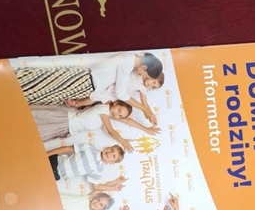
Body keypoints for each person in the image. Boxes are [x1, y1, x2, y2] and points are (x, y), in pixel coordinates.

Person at [12, 52, 164, 118]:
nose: (142, 76)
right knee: (41, 87)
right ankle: (11, 90)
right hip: (83, 81)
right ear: (145, 67)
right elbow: (121, 93)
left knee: (45, 93)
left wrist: (146, 109)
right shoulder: (128, 62)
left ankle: (13, 94)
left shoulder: (130, 62)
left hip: (86, 84)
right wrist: (144, 109)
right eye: (145, 75)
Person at [31, 100, 160, 154]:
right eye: (119, 110)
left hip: (65, 129)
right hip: (63, 121)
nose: (117, 114)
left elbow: (128, 121)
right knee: (33, 121)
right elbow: (111, 130)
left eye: (120, 115)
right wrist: (123, 141)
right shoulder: (104, 110)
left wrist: (146, 129)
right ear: (115, 103)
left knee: (34, 134)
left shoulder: (107, 115)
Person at [47, 141, 124, 184]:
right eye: (112, 150)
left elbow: (97, 187)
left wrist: (115, 182)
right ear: (108, 147)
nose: (110, 153)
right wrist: (47, 154)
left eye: (113, 156)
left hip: (57, 176)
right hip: (55, 162)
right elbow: (67, 149)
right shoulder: (89, 148)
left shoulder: (99, 171)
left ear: (112, 162)